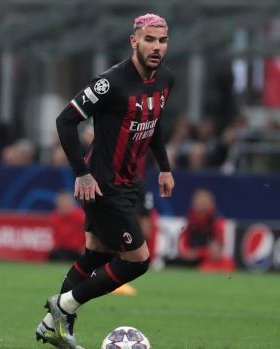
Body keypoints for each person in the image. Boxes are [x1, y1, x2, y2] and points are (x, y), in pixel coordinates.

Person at [36, 14, 175, 349]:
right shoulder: (110, 82)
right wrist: (82, 173)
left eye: (162, 41)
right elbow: (66, 120)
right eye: (149, 40)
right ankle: (64, 305)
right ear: (134, 41)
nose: (156, 47)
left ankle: (49, 327)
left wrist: (165, 167)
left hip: (128, 183)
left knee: (97, 254)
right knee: (138, 261)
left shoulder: (166, 79)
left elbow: (152, 122)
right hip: (101, 185)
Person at [177, 188, 233, 272]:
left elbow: (217, 245)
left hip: (207, 257)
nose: (201, 206)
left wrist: (198, 253)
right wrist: (186, 253)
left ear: (210, 205)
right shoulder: (190, 219)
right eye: (199, 203)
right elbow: (183, 238)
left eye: (204, 203)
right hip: (190, 255)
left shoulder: (216, 220)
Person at [47, 191, 86, 262]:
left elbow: (88, 233)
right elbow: (56, 239)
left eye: (65, 202)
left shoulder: (81, 217)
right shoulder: (54, 218)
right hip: (62, 250)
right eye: (61, 203)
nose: (63, 205)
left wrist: (85, 246)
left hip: (78, 251)